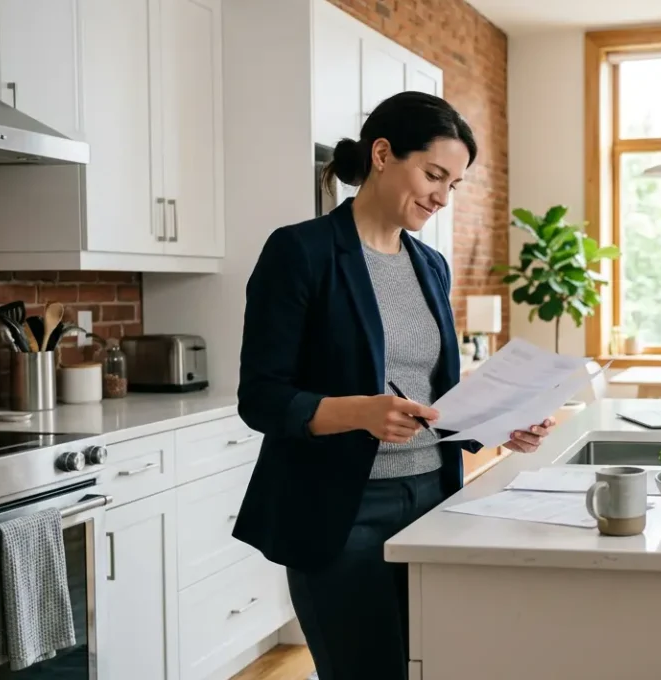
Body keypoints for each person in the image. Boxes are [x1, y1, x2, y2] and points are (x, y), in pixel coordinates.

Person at [232, 91, 554, 680]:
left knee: (433, 667)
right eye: (433, 174)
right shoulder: (300, 252)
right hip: (342, 512)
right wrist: (357, 412)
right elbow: (261, 397)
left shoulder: (430, 264)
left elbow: (437, 394)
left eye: (453, 184)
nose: (441, 195)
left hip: (434, 498)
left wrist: (501, 424)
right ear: (382, 154)